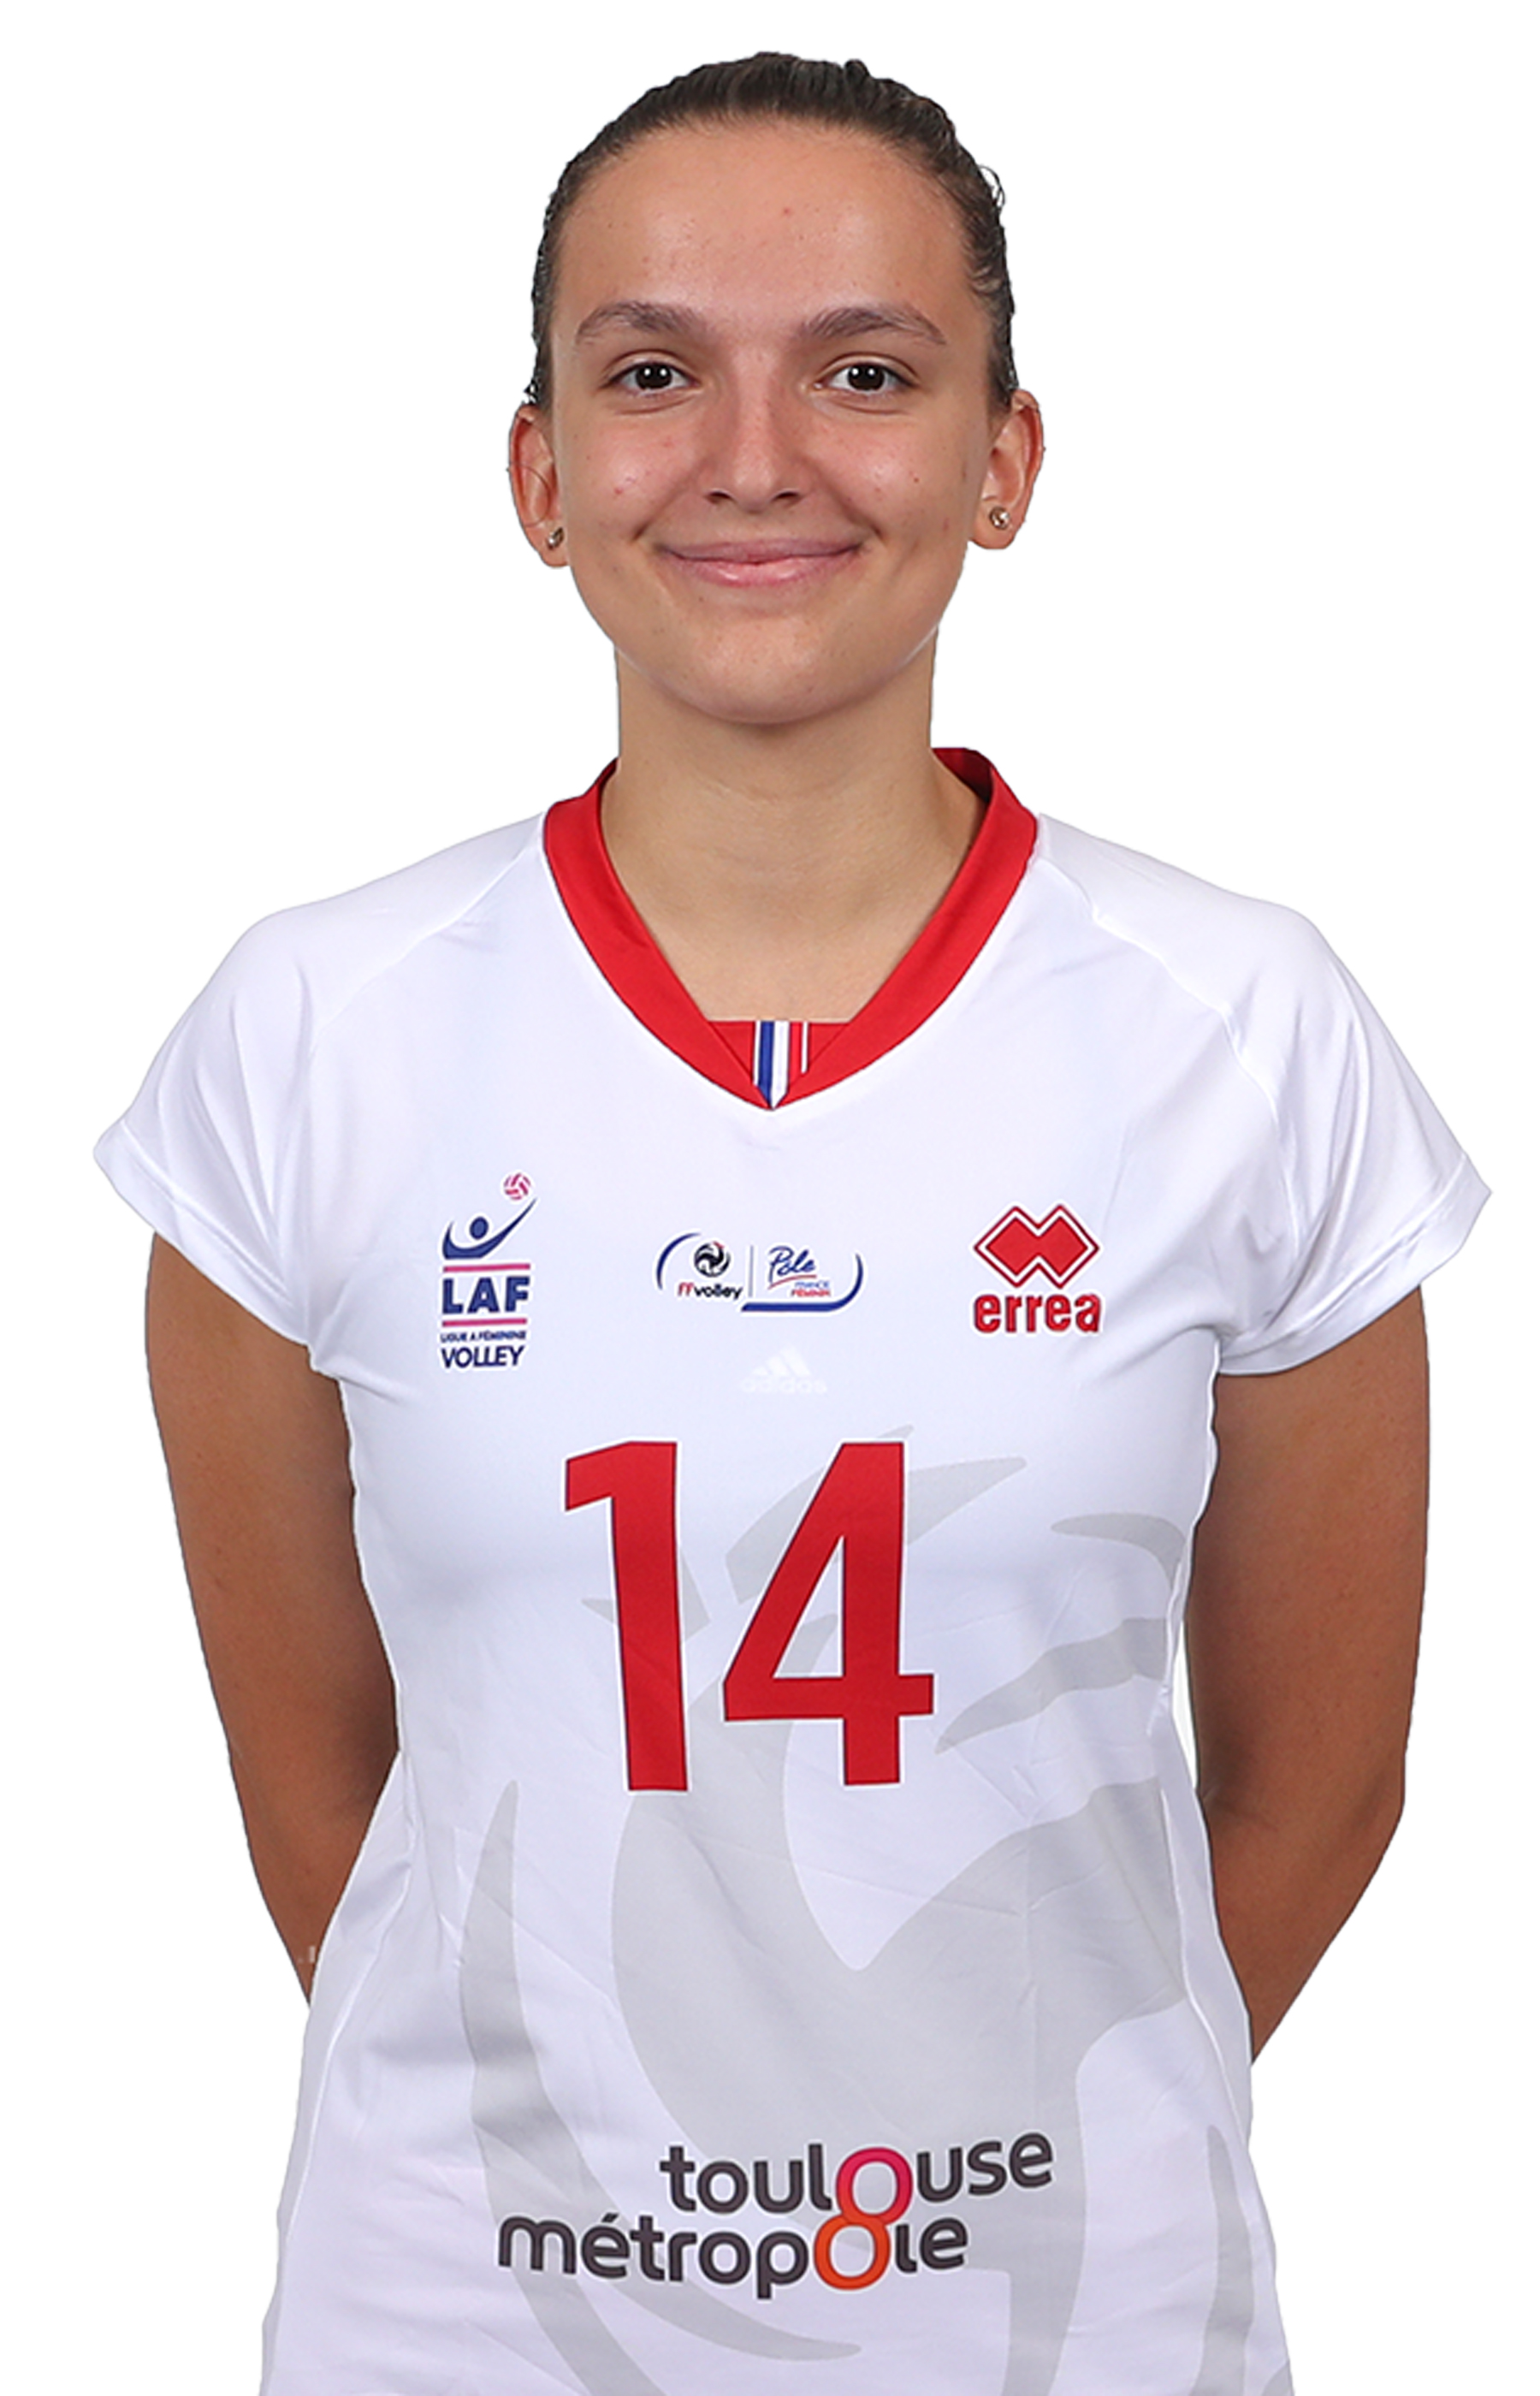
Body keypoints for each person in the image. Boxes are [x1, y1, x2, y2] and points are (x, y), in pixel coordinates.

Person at [96, 52, 1485, 2396]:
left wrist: (996, 2147)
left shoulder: (1244, 1029)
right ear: (540, 474)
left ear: (1003, 459)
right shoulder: (312, 1035)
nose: (754, 457)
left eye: (865, 371)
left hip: (1077, 2330)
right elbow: (323, 1795)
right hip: (469, 2332)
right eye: (653, 373)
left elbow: (1318, 1782)